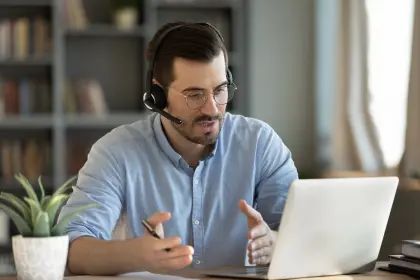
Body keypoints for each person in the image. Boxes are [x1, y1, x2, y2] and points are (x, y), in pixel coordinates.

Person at [57, 21, 299, 276]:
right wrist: (137, 255)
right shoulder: (115, 153)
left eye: (220, 90)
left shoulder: (260, 144)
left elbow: (304, 235)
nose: (212, 108)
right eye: (194, 95)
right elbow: (70, 250)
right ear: (157, 96)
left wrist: (273, 242)